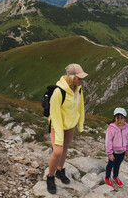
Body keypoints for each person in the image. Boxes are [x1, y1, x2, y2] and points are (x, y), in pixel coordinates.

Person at [46, 63, 88, 194]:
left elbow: (80, 106)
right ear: (72, 77)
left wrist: (80, 124)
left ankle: (60, 170)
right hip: (57, 126)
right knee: (57, 151)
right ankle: (50, 177)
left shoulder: (78, 89)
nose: (82, 80)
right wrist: (58, 135)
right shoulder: (59, 92)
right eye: (79, 78)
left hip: (71, 125)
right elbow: (55, 116)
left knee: (64, 148)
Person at [104, 107, 128, 187]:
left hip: (122, 151)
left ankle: (115, 176)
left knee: (118, 165)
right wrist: (110, 154)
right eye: (117, 118)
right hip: (113, 152)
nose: (119, 121)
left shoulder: (127, 128)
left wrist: (127, 150)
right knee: (110, 165)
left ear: (125, 119)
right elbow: (108, 141)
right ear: (114, 118)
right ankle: (107, 177)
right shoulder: (111, 129)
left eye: (121, 118)